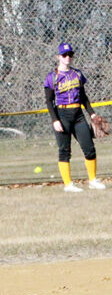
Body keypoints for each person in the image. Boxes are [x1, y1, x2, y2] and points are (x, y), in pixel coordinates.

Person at [44, 42, 106, 193]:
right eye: (64, 55)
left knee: (89, 147)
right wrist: (55, 120)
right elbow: (49, 101)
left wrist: (91, 113)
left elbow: (83, 97)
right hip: (62, 114)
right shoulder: (53, 77)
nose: (67, 58)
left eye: (70, 55)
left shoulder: (77, 74)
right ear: (58, 57)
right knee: (64, 150)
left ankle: (92, 180)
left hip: (78, 114)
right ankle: (68, 184)